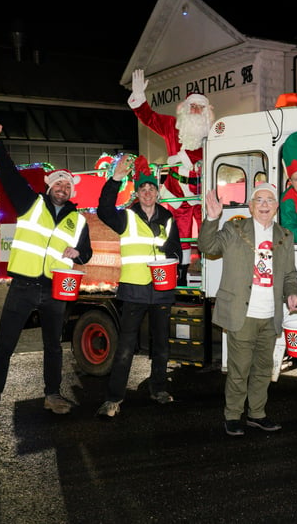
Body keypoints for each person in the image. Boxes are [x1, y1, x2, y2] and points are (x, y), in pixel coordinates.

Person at [0, 120, 93, 428]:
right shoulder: (30, 203)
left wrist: (78, 253)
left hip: (57, 288)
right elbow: (8, 174)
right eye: (59, 184)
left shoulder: (78, 221)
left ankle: (52, 394)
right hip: (24, 286)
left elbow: (87, 252)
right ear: (49, 186)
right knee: (5, 345)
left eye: (68, 186)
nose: (63, 188)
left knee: (53, 346)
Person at [198, 183, 297, 436]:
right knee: (239, 369)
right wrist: (212, 218)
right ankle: (233, 415)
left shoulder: (285, 236)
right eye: (259, 200)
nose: (265, 204)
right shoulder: (234, 229)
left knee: (263, 370)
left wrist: (292, 293)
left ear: (276, 206)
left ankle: (257, 414)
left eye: (269, 200)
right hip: (241, 314)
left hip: (270, 315)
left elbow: (289, 274)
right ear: (251, 206)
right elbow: (207, 247)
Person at [95, 154, 182, 417]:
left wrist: (173, 263)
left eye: (151, 189)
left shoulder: (167, 218)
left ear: (157, 193)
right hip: (134, 289)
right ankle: (113, 398)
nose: (147, 193)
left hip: (162, 290)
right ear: (138, 193)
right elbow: (103, 210)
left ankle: (158, 389)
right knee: (125, 346)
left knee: (162, 346)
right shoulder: (126, 217)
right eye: (143, 189)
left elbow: (175, 250)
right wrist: (116, 179)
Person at [128, 69, 215, 285]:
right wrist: (139, 98)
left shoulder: (213, 131)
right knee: (180, 234)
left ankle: (210, 271)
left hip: (203, 191)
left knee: (208, 234)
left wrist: (182, 157)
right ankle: (182, 273)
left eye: (199, 107)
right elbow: (148, 117)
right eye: (192, 106)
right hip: (177, 191)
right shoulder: (170, 126)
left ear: (205, 111)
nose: (195, 110)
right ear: (184, 109)